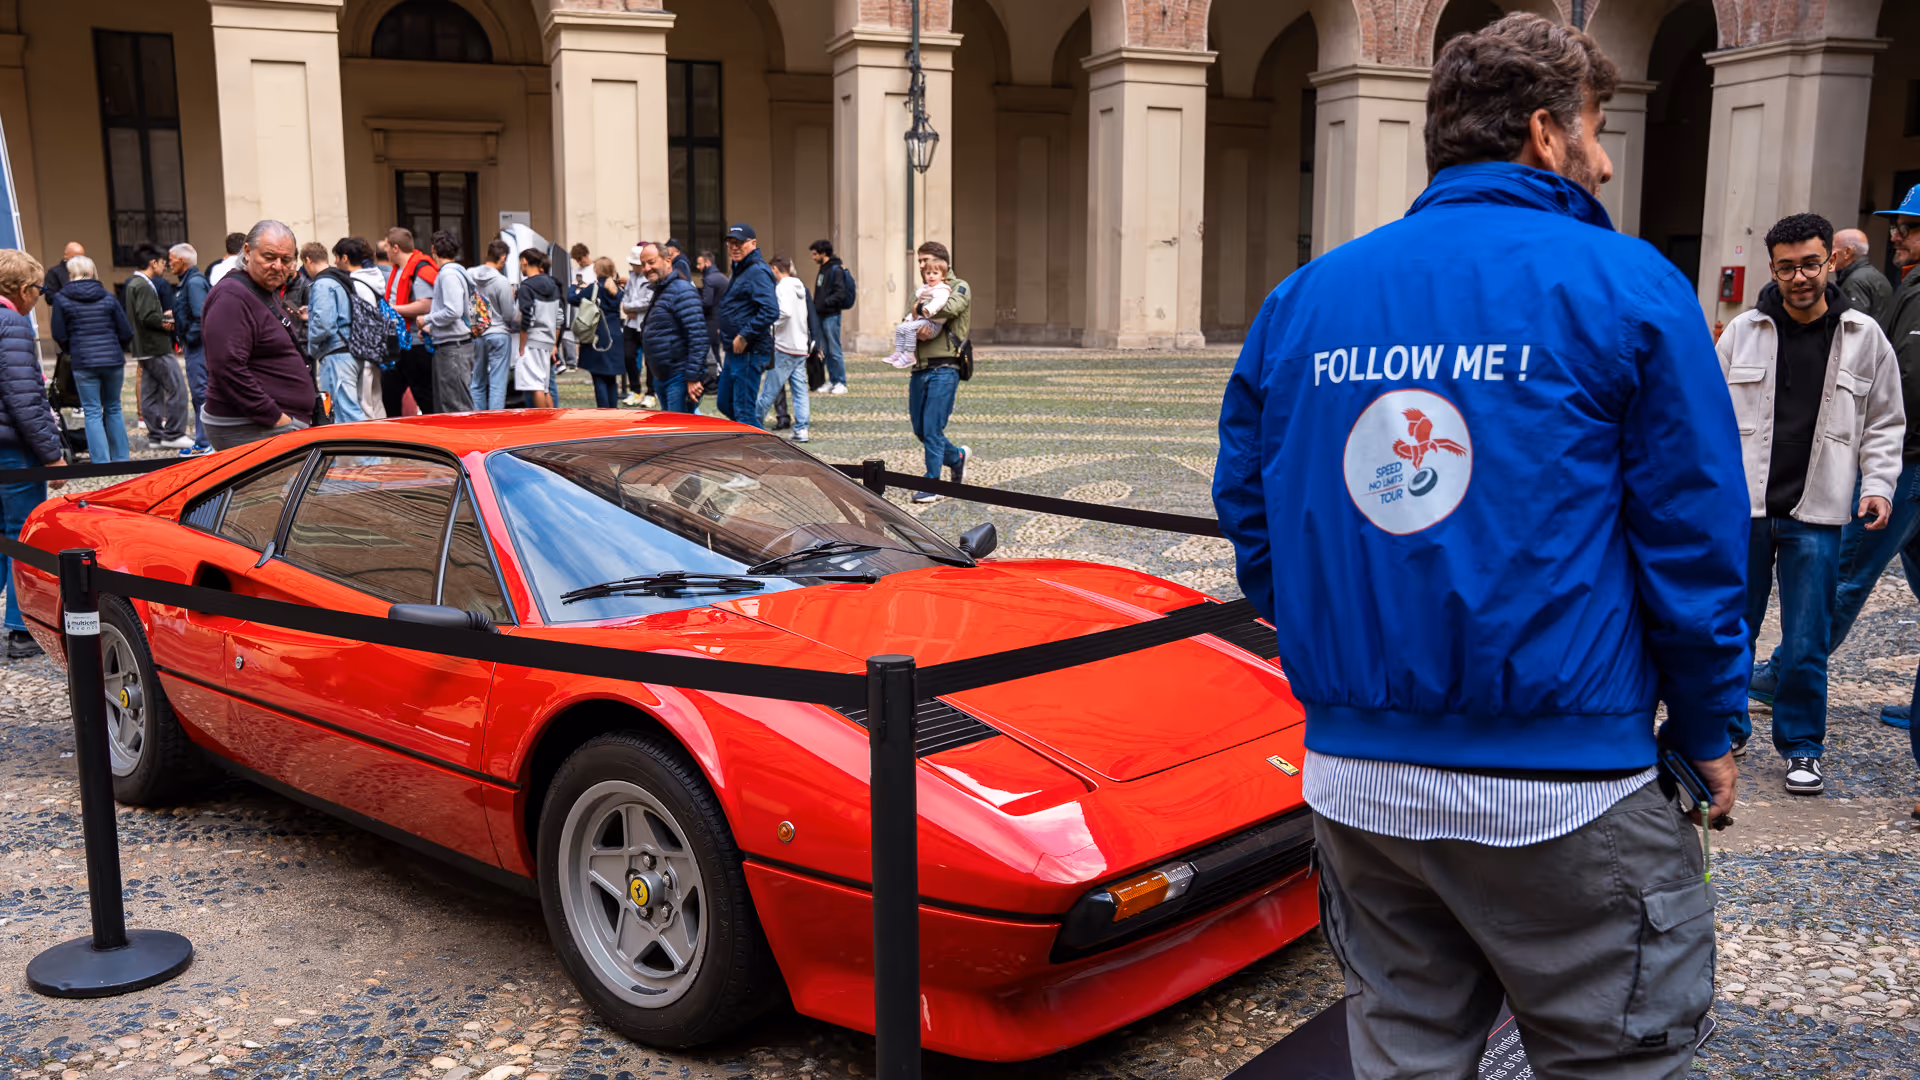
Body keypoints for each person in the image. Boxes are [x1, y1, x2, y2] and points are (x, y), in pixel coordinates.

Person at [1214, 15, 1745, 1077]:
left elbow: (1253, 517)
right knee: (1615, 1054)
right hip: (1567, 782)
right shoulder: (1627, 284)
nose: (1603, 161)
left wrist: (1340, 662)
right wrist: (1708, 719)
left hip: (1359, 783)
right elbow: (1689, 534)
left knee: (1405, 1053)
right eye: (1598, 133)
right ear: (1545, 133)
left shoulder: (1305, 298)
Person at [1721, 213, 1902, 794]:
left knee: (1805, 641)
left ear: (1831, 262)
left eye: (1810, 264)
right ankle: (1727, 727)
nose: (1800, 277)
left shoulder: (1863, 335)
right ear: (1772, 267)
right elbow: (1708, 419)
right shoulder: (1744, 332)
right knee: (1731, 629)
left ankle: (1802, 744)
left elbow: (1884, 424)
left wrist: (1877, 486)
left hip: (1818, 513)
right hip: (1743, 510)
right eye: (1786, 266)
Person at [201, 220, 318, 450]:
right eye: (269, 257)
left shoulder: (258, 290)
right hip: (252, 426)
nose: (277, 266)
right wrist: (277, 418)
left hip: (265, 425)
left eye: (286, 260)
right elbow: (227, 368)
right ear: (247, 252)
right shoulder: (232, 296)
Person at [0, 250, 64, 659]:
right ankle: (21, 628)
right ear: (24, 290)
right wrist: (52, 455)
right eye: (39, 290)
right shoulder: (13, 323)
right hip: (11, 450)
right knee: (22, 533)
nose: (39, 297)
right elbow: (26, 399)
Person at [48, 255, 132, 463]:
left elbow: (59, 334)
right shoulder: (108, 296)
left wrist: (72, 349)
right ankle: (121, 458)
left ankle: (101, 461)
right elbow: (126, 331)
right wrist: (114, 348)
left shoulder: (61, 298)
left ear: (71, 274)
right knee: (114, 407)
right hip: (112, 360)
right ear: (92, 271)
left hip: (83, 361)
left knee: (92, 410)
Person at [905, 242, 971, 503]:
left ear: (942, 261)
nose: (921, 266)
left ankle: (933, 483)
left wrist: (921, 308)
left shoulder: (959, 286)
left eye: (925, 260)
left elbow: (952, 307)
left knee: (932, 429)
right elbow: (908, 316)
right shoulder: (921, 290)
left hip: (945, 367)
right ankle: (957, 458)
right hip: (919, 367)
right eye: (920, 262)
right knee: (920, 430)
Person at [123, 243, 193, 449]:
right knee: (177, 387)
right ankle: (173, 434)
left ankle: (156, 435)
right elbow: (149, 317)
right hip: (155, 346)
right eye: (163, 263)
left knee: (150, 391)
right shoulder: (143, 285)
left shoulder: (133, 283)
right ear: (153, 263)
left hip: (144, 347)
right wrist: (171, 320)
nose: (165, 267)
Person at [716, 224, 778, 427]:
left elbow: (770, 310)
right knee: (725, 403)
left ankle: (763, 453)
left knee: (744, 411)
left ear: (753, 244)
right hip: (733, 351)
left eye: (739, 243)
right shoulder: (740, 269)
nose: (734, 247)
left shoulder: (757, 271)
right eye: (731, 243)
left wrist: (745, 335)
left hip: (750, 351)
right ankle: (749, 437)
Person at [637, 242, 706, 414]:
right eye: (643, 264)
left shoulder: (682, 291)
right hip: (663, 377)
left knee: (678, 433)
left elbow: (698, 336)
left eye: (651, 262)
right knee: (671, 433)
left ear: (667, 261)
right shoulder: (662, 290)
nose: (646, 268)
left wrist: (692, 377)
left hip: (679, 378)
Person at [304, 240, 364, 424]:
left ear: (307, 261)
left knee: (345, 414)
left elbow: (324, 325)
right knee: (350, 410)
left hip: (336, 354)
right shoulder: (341, 279)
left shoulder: (323, 284)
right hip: (351, 351)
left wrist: (311, 348)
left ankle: (371, 455)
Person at [383, 226, 438, 415]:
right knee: (390, 396)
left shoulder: (419, 269)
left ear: (395, 248)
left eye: (387, 247)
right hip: (398, 344)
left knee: (425, 397)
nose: (386, 252)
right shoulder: (399, 269)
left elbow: (426, 305)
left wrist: (393, 310)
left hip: (415, 345)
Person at [421, 230, 476, 413]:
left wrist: (426, 319)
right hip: (455, 345)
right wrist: (431, 327)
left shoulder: (447, 275)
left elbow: (453, 311)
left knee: (454, 405)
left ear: (433, 250)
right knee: (453, 402)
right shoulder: (457, 272)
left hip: (452, 348)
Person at [759, 254, 812, 441]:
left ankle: (753, 424)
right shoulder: (800, 286)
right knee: (800, 390)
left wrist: (770, 326)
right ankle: (801, 429)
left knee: (769, 389)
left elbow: (784, 312)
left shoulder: (782, 287)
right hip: (799, 345)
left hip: (784, 346)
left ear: (774, 268)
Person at [168, 243, 212, 455]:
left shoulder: (193, 283)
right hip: (195, 345)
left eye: (171, 259)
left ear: (182, 261)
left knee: (201, 393)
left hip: (198, 347)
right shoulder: (190, 282)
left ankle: (205, 443)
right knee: (199, 393)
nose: (169, 264)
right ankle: (203, 441)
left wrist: (188, 337)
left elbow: (202, 316)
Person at [568, 256, 624, 408]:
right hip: (615, 336)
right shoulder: (617, 290)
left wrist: (574, 286)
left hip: (598, 335)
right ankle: (613, 411)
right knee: (611, 378)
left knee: (598, 376)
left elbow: (572, 299)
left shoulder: (594, 288)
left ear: (596, 270)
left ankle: (603, 411)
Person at [470, 239, 518, 411]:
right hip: (498, 332)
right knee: (497, 384)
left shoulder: (470, 274)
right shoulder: (501, 281)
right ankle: (495, 421)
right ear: (503, 258)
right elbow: (508, 314)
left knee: (477, 381)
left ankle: (478, 418)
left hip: (477, 332)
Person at [515, 247, 563, 409]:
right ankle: (551, 422)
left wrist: (521, 345)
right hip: (548, 340)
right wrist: (554, 343)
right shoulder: (553, 285)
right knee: (545, 386)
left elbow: (527, 317)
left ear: (524, 262)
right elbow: (559, 318)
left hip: (532, 341)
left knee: (535, 385)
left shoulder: (526, 287)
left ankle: (542, 424)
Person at [347, 239, 389, 419]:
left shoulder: (355, 282)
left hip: (362, 344)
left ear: (345, 258)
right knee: (375, 396)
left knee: (364, 400)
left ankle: (373, 439)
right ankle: (385, 432)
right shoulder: (375, 277)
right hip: (376, 342)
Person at [887, 260, 951, 369]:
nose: (931, 276)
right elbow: (915, 308)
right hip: (921, 320)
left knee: (909, 328)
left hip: (933, 323)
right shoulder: (924, 289)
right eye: (928, 273)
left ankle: (909, 355)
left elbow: (939, 302)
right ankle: (899, 352)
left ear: (943, 276)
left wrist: (928, 309)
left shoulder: (942, 290)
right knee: (900, 328)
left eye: (935, 273)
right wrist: (909, 318)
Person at [810, 239, 851, 394]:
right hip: (821, 315)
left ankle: (841, 381)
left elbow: (839, 294)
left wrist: (824, 303)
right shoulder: (823, 269)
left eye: (815, 254)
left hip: (831, 315)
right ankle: (833, 380)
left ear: (823, 253)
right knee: (826, 350)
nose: (813, 257)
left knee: (834, 349)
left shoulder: (835, 270)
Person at [1833, 228, 1894, 328]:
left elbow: (1854, 325)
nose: (1829, 254)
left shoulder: (1855, 281)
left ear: (1847, 252)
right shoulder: (1876, 275)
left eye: (1832, 249)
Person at [619, 244, 653, 407]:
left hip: (646, 323)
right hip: (631, 323)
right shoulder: (632, 277)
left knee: (650, 360)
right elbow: (626, 296)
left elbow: (649, 300)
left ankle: (651, 393)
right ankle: (635, 390)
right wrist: (626, 307)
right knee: (628, 356)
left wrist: (629, 307)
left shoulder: (650, 277)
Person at [696, 250, 730, 410]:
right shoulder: (721, 277)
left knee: (713, 354)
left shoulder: (710, 279)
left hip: (713, 320)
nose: (697, 266)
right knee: (717, 353)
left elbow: (707, 302)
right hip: (722, 319)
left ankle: (716, 383)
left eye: (699, 263)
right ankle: (720, 381)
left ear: (707, 263)